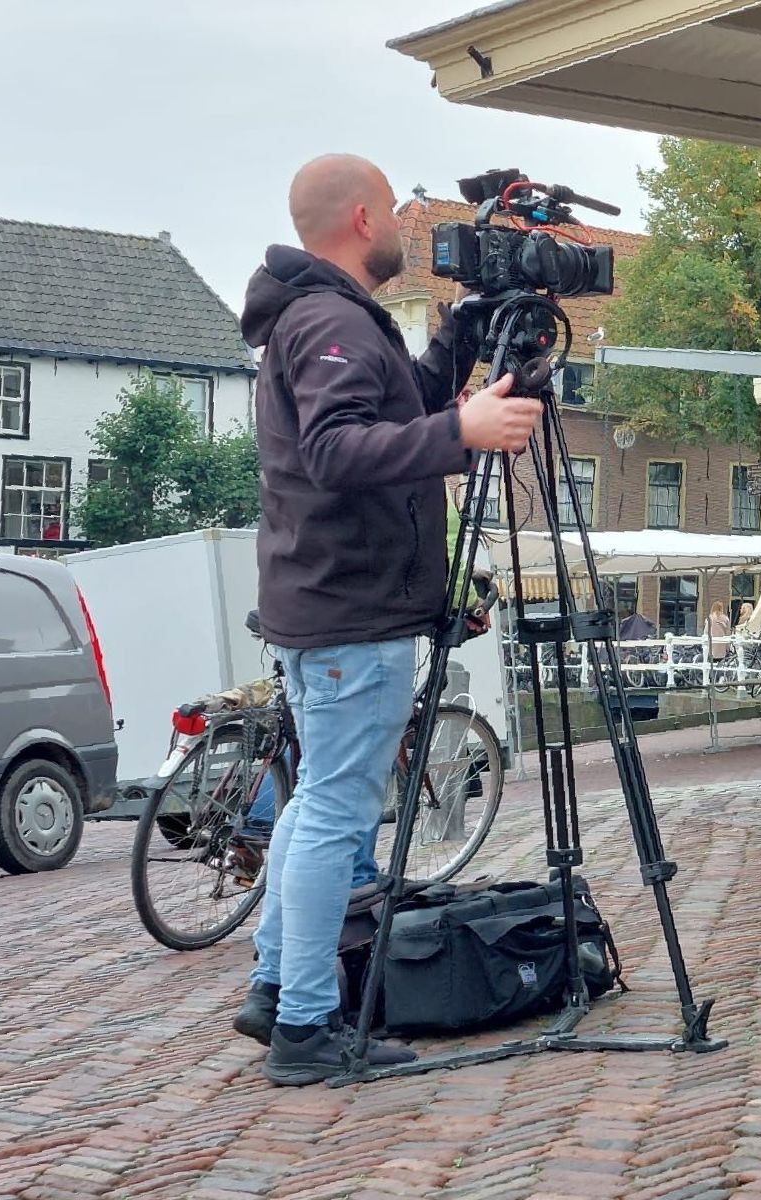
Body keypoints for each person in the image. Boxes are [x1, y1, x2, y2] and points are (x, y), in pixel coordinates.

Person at [231, 153, 541, 1086]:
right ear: (364, 219)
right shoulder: (327, 319)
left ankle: (275, 989)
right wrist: (463, 434)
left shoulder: (323, 315)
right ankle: (308, 1030)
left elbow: (391, 402)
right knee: (336, 811)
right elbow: (336, 447)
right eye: (393, 219)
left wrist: (464, 332)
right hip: (347, 608)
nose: (406, 236)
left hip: (325, 601)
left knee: (315, 801)